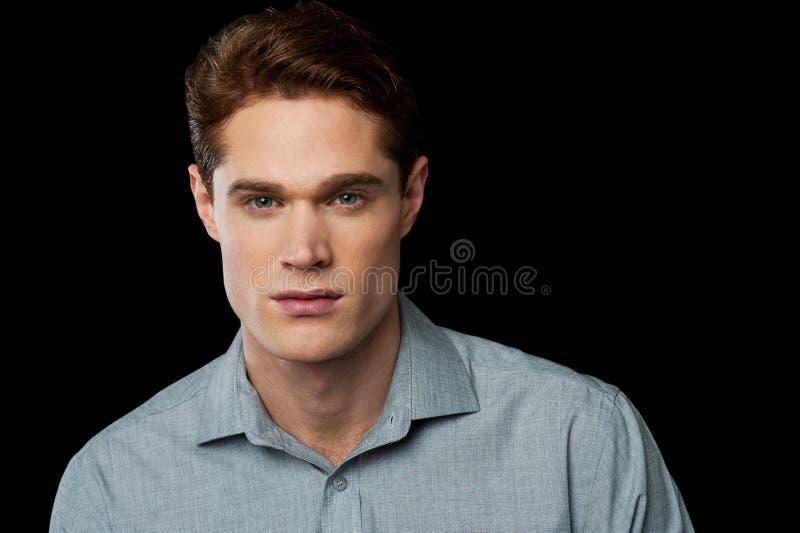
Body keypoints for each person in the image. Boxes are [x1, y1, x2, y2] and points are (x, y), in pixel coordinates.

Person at [50, 1, 694, 531]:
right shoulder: (113, 488)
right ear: (205, 205)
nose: (305, 252)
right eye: (263, 200)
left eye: (346, 197)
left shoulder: (579, 442)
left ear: (411, 197)